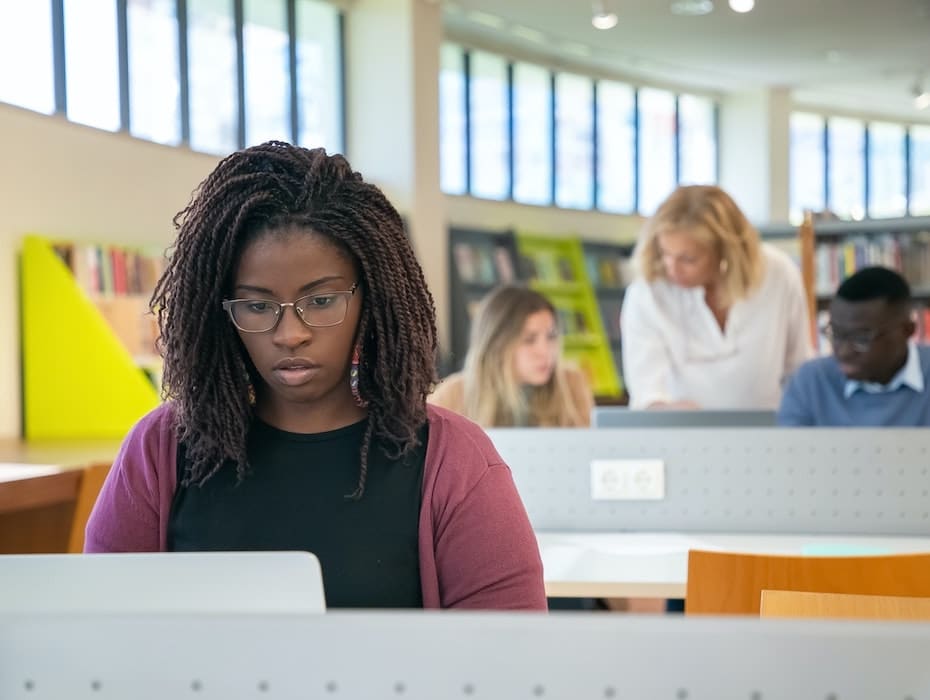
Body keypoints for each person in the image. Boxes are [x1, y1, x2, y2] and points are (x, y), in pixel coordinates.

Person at [85, 142, 547, 611]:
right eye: (258, 305)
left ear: (372, 298)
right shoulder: (159, 450)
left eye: (322, 301)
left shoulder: (454, 461)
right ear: (220, 312)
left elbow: (512, 664)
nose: (290, 334)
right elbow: (100, 641)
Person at [621, 184, 812, 410]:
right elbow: (646, 393)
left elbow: (799, 369)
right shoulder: (647, 293)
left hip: (771, 434)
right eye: (665, 254)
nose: (672, 268)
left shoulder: (778, 274)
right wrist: (665, 410)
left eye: (688, 259)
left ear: (726, 252)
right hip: (680, 438)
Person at [778, 266, 930, 426]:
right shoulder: (811, 382)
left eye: (861, 338)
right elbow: (789, 450)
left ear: (907, 330)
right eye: (836, 333)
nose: (843, 351)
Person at [429, 285, 593, 427]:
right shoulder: (452, 394)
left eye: (551, 336)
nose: (546, 351)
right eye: (529, 340)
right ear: (497, 345)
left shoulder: (572, 384)